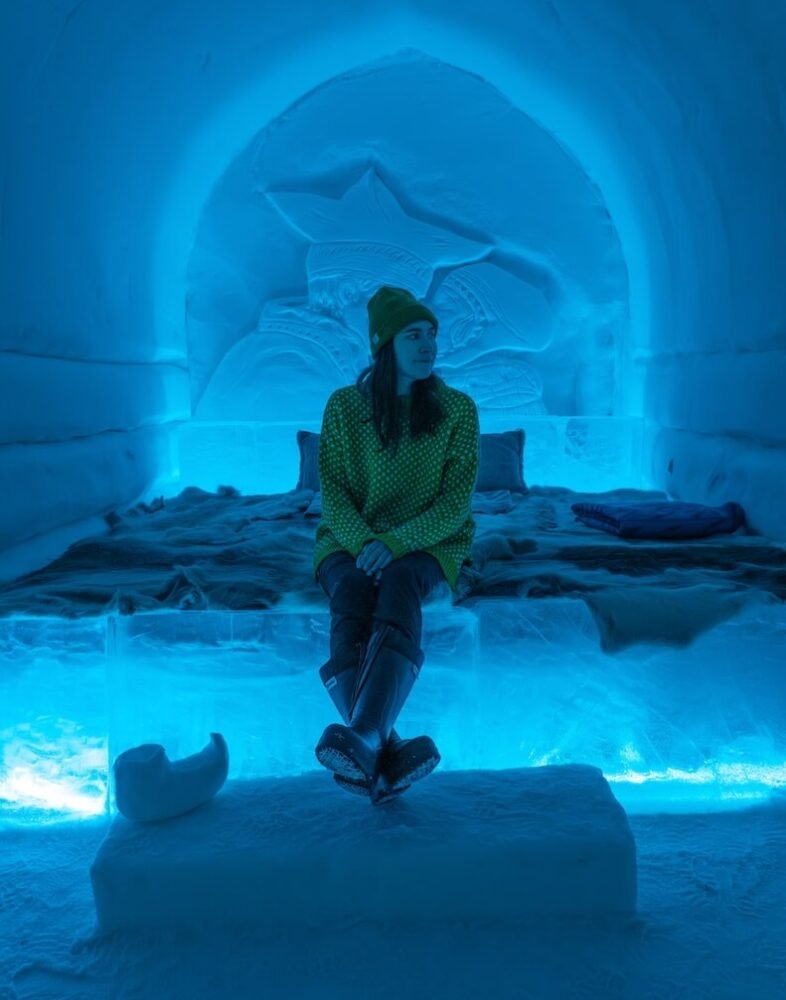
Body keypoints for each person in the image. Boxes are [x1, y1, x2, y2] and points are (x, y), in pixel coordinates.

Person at [313, 285, 480, 805]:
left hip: (432, 539)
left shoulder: (457, 410)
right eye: (414, 335)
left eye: (431, 334)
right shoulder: (344, 408)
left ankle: (365, 739)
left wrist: (395, 543)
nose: (428, 344)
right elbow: (334, 494)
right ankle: (382, 744)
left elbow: (455, 505)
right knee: (351, 589)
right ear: (385, 345)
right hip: (350, 537)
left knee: (403, 581)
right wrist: (368, 544)